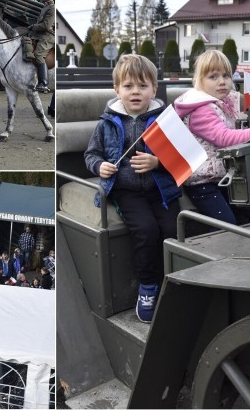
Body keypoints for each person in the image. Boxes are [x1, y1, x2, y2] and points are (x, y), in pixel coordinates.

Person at [85, 54, 180, 323]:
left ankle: (171, 284)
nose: (135, 92)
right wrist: (100, 166)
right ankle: (148, 287)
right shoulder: (107, 122)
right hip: (126, 191)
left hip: (160, 188)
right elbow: (91, 154)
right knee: (147, 231)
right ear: (117, 90)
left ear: (154, 89)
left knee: (174, 231)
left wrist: (157, 162)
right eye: (128, 86)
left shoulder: (165, 120)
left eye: (142, 85)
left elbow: (179, 158)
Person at [175, 50, 250, 227]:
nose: (222, 81)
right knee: (227, 223)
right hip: (202, 182)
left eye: (226, 76)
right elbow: (223, 137)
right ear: (200, 81)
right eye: (213, 77)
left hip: (225, 177)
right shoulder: (201, 110)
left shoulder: (223, 103)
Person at [24, 0, 55, 93]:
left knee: (38, 54)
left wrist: (34, 27)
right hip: (40, 35)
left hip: (47, 36)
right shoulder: (45, 6)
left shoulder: (52, 8)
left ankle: (43, 83)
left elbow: (46, 25)